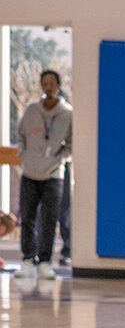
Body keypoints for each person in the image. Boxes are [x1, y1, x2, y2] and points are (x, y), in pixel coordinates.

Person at [15, 69, 72, 280]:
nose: (48, 87)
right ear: (41, 85)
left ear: (58, 86)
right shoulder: (31, 111)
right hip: (30, 172)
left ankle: (45, 261)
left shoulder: (67, 114)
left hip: (53, 175)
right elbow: (20, 136)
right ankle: (28, 259)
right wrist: (25, 156)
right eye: (45, 83)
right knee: (28, 217)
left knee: (50, 219)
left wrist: (60, 159)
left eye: (52, 83)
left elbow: (72, 144)